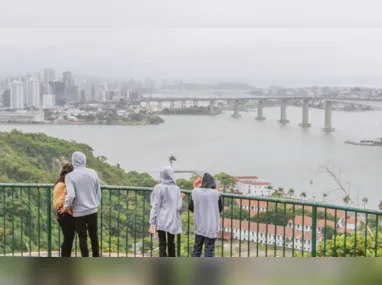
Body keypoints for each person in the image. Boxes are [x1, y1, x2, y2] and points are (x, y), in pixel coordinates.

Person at [60, 151, 102, 257]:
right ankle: (96, 257)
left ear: (73, 161)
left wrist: (65, 207)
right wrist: (96, 204)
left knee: (82, 238)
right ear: (84, 160)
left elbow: (71, 196)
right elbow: (98, 191)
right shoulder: (93, 173)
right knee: (94, 236)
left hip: (79, 212)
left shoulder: (70, 176)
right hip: (93, 210)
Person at [148, 166, 184, 257]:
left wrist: (152, 222)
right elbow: (179, 207)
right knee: (171, 243)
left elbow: (155, 205)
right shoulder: (176, 189)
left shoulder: (158, 187)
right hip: (172, 219)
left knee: (162, 244)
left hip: (161, 219)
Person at [189, 173, 223, 257]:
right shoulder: (215, 193)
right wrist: (217, 191)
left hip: (199, 224)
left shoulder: (195, 192)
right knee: (209, 250)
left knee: (197, 249)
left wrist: (195, 187)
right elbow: (220, 208)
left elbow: (191, 208)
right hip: (211, 226)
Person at [53, 163, 75, 257]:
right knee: (68, 238)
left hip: (69, 214)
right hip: (64, 215)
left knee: (69, 238)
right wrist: (65, 193)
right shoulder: (60, 185)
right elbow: (57, 203)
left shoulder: (67, 184)